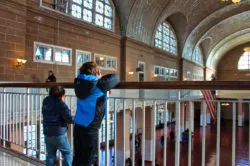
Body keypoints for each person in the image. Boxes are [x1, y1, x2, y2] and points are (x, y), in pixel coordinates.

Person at [72, 62, 119, 166]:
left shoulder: (78, 83)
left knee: (78, 157)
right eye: (99, 72)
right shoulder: (98, 85)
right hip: (90, 127)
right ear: (96, 72)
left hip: (78, 125)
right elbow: (115, 78)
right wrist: (99, 78)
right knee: (88, 159)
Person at [42, 86, 74, 166]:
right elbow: (69, 119)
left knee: (50, 155)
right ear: (62, 95)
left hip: (47, 132)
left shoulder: (46, 101)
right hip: (58, 133)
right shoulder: (61, 105)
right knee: (67, 152)